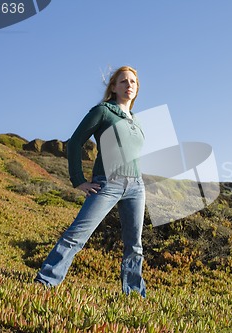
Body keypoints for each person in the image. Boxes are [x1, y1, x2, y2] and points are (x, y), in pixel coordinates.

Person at [34, 66, 147, 297]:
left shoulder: (137, 120)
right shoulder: (103, 111)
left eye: (133, 82)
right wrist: (78, 180)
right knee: (77, 235)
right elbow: (74, 143)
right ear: (114, 87)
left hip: (136, 186)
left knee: (134, 244)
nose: (129, 85)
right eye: (124, 81)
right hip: (107, 183)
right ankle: (46, 281)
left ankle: (134, 293)